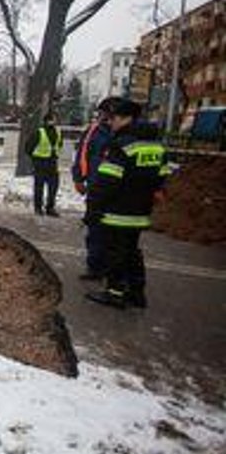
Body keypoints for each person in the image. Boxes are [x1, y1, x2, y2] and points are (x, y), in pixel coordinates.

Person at [84, 99, 171, 309]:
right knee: (132, 251)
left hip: (117, 211)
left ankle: (114, 293)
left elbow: (107, 181)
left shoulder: (121, 145)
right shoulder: (156, 146)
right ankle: (136, 292)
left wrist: (93, 207)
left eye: (113, 118)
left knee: (114, 252)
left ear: (126, 118)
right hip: (140, 211)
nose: (110, 122)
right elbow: (162, 176)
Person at [72, 97, 121, 280]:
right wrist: (79, 178)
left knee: (116, 234)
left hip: (119, 191)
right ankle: (96, 268)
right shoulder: (93, 131)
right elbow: (82, 156)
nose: (104, 117)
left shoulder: (126, 133)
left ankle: (114, 272)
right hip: (96, 188)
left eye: (107, 114)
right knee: (95, 230)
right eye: (102, 114)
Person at [25, 112, 64, 216]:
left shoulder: (58, 131)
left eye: (54, 119)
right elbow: (28, 147)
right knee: (39, 186)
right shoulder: (39, 132)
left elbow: (59, 144)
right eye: (52, 119)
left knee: (53, 186)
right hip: (40, 162)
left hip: (52, 162)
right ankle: (38, 208)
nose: (53, 121)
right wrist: (35, 158)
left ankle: (50, 207)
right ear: (46, 120)